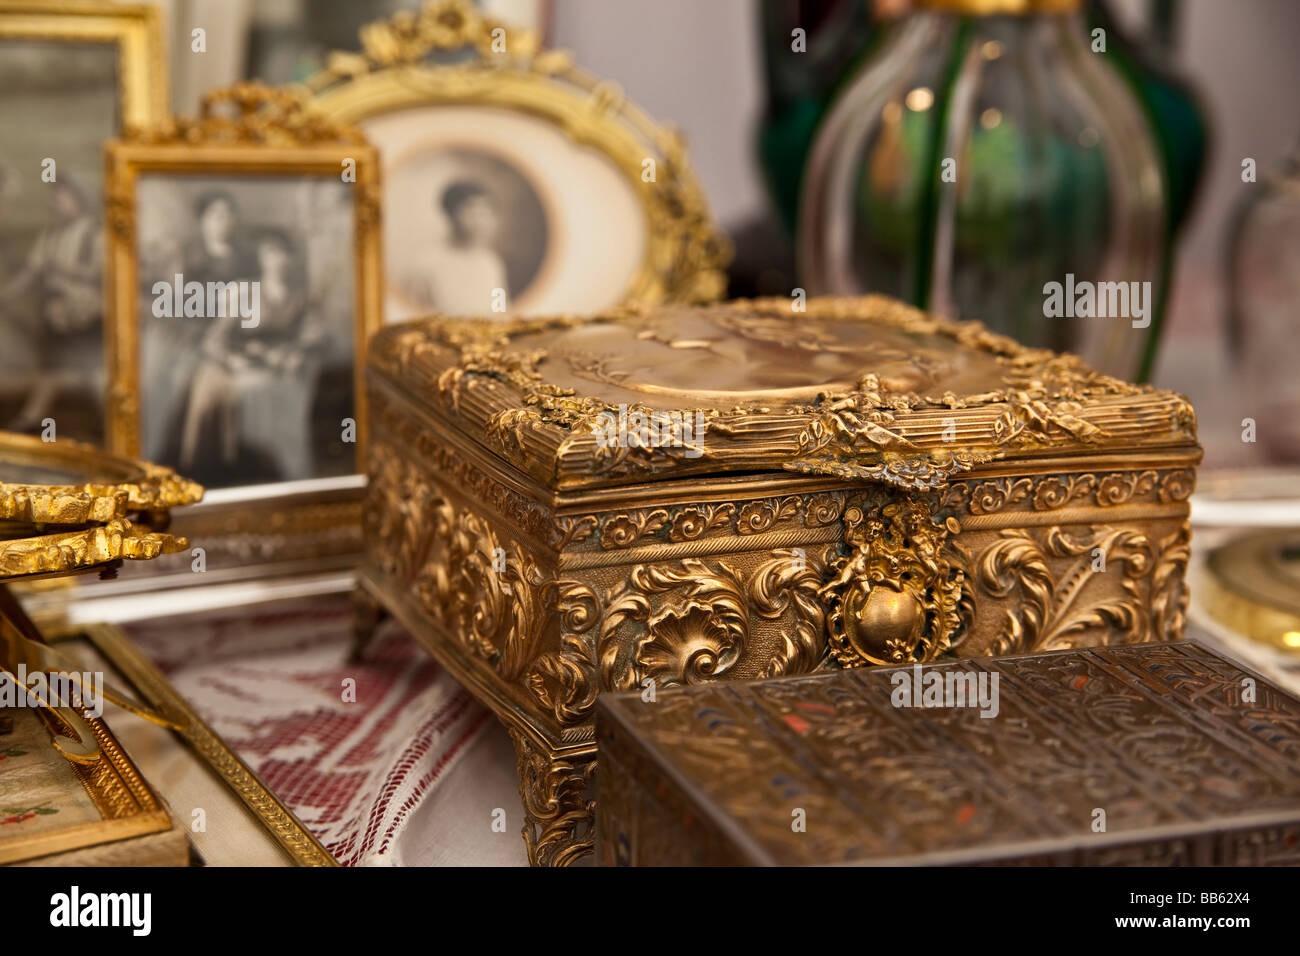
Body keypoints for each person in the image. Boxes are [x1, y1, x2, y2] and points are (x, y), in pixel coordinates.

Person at [403, 180, 508, 316]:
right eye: (471, 213)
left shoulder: (491, 262)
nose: (479, 222)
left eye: (485, 213)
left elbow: (501, 312)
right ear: (451, 216)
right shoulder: (426, 264)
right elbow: (413, 316)